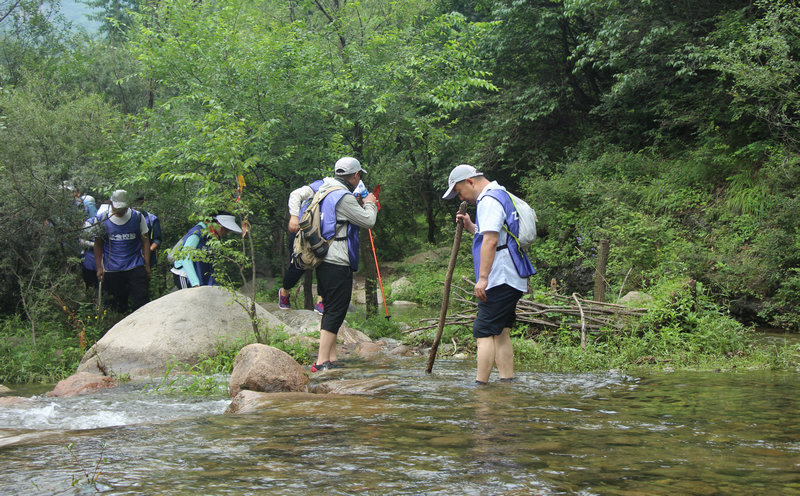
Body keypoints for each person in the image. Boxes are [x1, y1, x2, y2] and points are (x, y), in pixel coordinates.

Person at [442, 164, 535, 384]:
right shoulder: (500, 194)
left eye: (458, 191)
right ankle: (507, 382)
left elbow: (491, 241)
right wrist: (472, 226)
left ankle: (480, 388)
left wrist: (483, 279)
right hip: (512, 275)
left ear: (470, 182)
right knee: (501, 332)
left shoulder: (489, 200)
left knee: (483, 333)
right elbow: (495, 234)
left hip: (500, 277)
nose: (459, 196)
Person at [310, 157, 378, 372]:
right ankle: (321, 363)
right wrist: (370, 203)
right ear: (355, 175)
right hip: (337, 260)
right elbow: (368, 221)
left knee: (330, 307)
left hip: (322, 258)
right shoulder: (343, 197)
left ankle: (330, 357)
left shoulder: (325, 190)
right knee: (336, 310)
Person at [93, 189, 151, 313]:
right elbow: (98, 244)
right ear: (111, 203)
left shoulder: (137, 217)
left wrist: (146, 264)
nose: (120, 210)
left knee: (142, 303)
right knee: (116, 305)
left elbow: (145, 240)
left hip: (135, 266)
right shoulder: (102, 219)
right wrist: (99, 267)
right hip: (112, 268)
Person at [280, 179, 326, 313]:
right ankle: (284, 292)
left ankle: (321, 301)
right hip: (302, 231)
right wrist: (294, 217)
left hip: (323, 234)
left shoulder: (347, 192)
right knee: (298, 266)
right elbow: (296, 195)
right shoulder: (321, 185)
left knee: (325, 264)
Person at [171, 212, 242, 289]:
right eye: (225, 229)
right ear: (217, 224)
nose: (226, 232)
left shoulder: (213, 236)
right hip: (185, 275)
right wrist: (195, 283)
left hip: (201, 273)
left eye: (228, 230)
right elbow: (185, 257)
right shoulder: (197, 233)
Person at [134, 195, 162, 268]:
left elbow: (157, 239)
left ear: (142, 202)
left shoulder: (152, 219)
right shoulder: (126, 219)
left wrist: (148, 251)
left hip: (147, 259)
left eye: (137, 203)